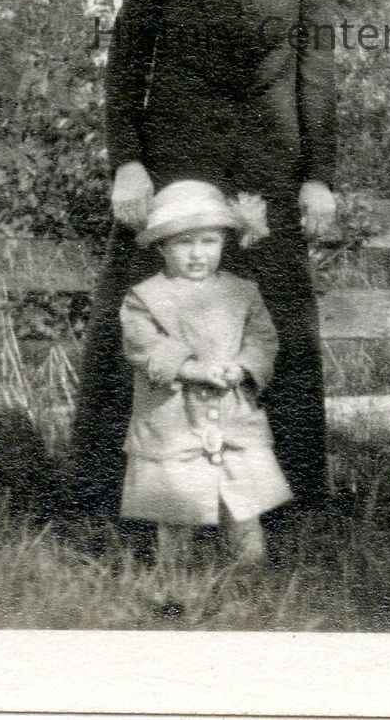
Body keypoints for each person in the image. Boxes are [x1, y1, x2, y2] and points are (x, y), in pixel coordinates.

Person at [70, 0, 338, 525]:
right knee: (146, 314)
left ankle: (287, 505)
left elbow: (316, 72)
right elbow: (128, 62)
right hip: (175, 164)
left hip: (270, 170)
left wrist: (318, 175)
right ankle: (110, 499)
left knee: (278, 321)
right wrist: (128, 162)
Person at [119, 180, 292, 569]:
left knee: (243, 500)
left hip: (233, 414)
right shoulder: (146, 296)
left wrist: (242, 366)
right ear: (162, 247)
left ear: (223, 242)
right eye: (184, 243)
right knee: (177, 501)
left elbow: (263, 339)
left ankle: (250, 572)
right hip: (174, 416)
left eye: (209, 242)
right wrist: (191, 368)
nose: (198, 254)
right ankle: (175, 574)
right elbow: (144, 346)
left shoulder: (242, 292)